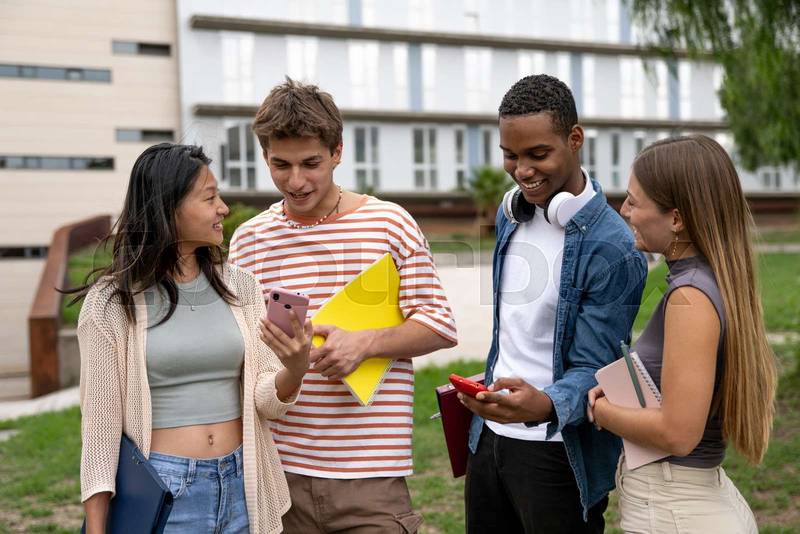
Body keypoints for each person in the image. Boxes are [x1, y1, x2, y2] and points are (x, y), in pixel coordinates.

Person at [228, 78, 458, 533]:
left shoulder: (389, 223)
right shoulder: (248, 240)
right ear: (265, 157)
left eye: (311, 163)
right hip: (277, 472)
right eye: (281, 165)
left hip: (370, 480)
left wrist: (366, 343)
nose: (296, 181)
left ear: (337, 151)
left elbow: (439, 324)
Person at [76, 143, 309, 533]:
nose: (223, 208)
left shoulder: (242, 287)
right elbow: (99, 431)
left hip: (242, 484)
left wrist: (296, 368)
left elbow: (266, 403)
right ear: (169, 208)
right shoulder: (111, 304)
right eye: (210, 197)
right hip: (164, 493)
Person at [458, 74, 648, 533]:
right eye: (510, 155)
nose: (522, 170)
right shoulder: (513, 217)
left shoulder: (615, 248)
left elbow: (595, 367)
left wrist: (542, 404)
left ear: (575, 139)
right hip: (488, 442)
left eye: (538, 154)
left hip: (557, 451)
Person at [587, 135, 776, 533]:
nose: (624, 211)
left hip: (675, 511)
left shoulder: (690, 295)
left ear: (676, 218)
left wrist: (602, 412)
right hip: (685, 503)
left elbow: (678, 433)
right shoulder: (708, 281)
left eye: (635, 202)